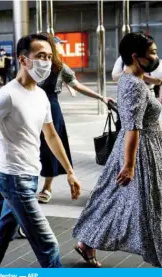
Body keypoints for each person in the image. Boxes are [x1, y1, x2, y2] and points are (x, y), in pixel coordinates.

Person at [0, 33, 82, 268]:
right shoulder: (7, 95)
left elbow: (51, 135)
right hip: (14, 180)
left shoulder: (41, 96)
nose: (46, 61)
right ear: (23, 60)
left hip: (30, 176)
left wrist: (70, 171)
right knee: (48, 245)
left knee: (2, 235)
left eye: (49, 56)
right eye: (40, 56)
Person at [72, 32, 162, 268]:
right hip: (141, 152)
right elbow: (132, 128)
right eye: (151, 53)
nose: (156, 57)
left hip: (142, 147)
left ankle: (87, 242)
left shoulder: (130, 77)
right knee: (153, 205)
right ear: (135, 56)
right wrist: (129, 166)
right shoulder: (134, 85)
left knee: (112, 198)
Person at [36, 35, 114, 204]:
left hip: (51, 107)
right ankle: (30, 184)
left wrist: (101, 97)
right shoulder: (33, 64)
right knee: (34, 146)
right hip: (31, 107)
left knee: (50, 148)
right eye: (60, 45)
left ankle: (47, 187)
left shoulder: (60, 67)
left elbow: (76, 85)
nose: (63, 48)